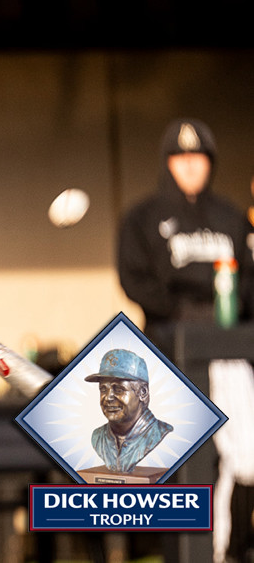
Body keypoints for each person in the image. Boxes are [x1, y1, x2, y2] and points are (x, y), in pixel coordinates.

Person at [117, 118, 254, 562]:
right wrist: (178, 312)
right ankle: (182, 553)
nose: (190, 166)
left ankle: (227, 550)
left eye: (198, 157)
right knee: (180, 463)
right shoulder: (143, 216)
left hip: (226, 348)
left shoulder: (231, 218)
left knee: (246, 457)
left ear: (210, 163)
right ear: (167, 163)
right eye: (181, 157)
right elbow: (134, 278)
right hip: (169, 352)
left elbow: (248, 282)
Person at [85, 349, 173, 473]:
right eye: (103, 389)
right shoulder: (98, 437)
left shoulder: (159, 432)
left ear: (143, 393)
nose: (108, 397)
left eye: (119, 389)